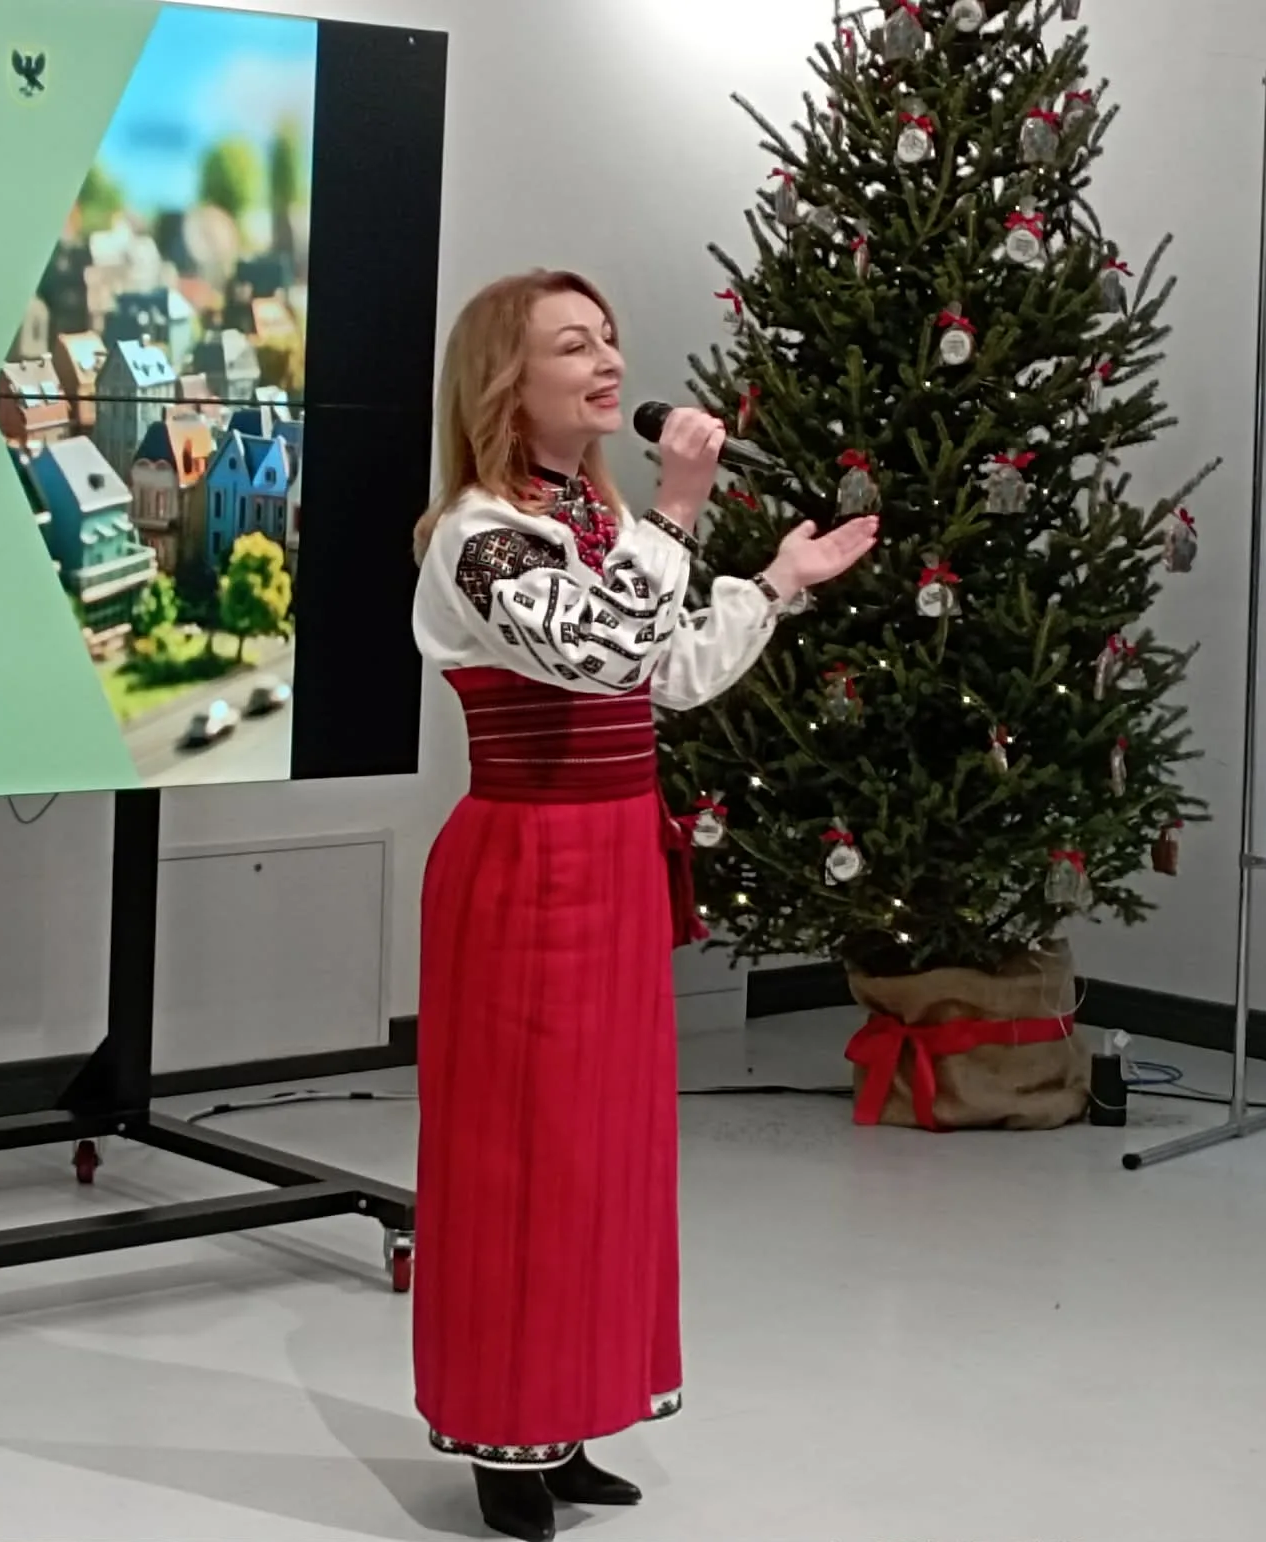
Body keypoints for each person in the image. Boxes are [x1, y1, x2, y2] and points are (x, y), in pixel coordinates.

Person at [408, 270, 878, 1542]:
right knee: (521, 1152)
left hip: (613, 855)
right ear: (507, 381)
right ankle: (503, 1433)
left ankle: (566, 1416)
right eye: (573, 344)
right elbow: (599, 650)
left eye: (609, 337)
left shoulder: (595, 519)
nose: (607, 360)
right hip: (528, 864)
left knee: (600, 1150)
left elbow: (661, 676)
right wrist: (677, 507)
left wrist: (775, 581)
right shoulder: (476, 534)